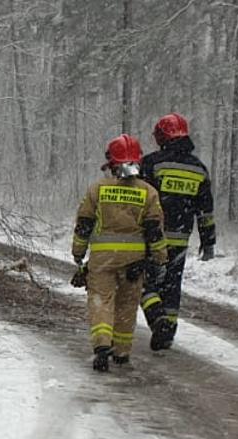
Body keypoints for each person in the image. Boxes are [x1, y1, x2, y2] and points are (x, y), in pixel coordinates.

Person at [70, 134, 169, 372]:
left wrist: (78, 252)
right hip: (134, 262)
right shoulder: (149, 192)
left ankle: (102, 346)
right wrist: (160, 258)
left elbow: (84, 224)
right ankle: (122, 353)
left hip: (102, 259)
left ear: (111, 162)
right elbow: (155, 231)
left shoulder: (97, 190)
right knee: (127, 305)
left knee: (101, 302)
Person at [139, 113, 217, 351]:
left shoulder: (152, 163)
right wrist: (208, 241)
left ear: (161, 136)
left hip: (153, 238)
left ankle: (157, 320)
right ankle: (169, 331)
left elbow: (141, 200)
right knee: (172, 285)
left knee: (146, 283)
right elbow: (206, 211)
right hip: (181, 240)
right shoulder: (199, 169)